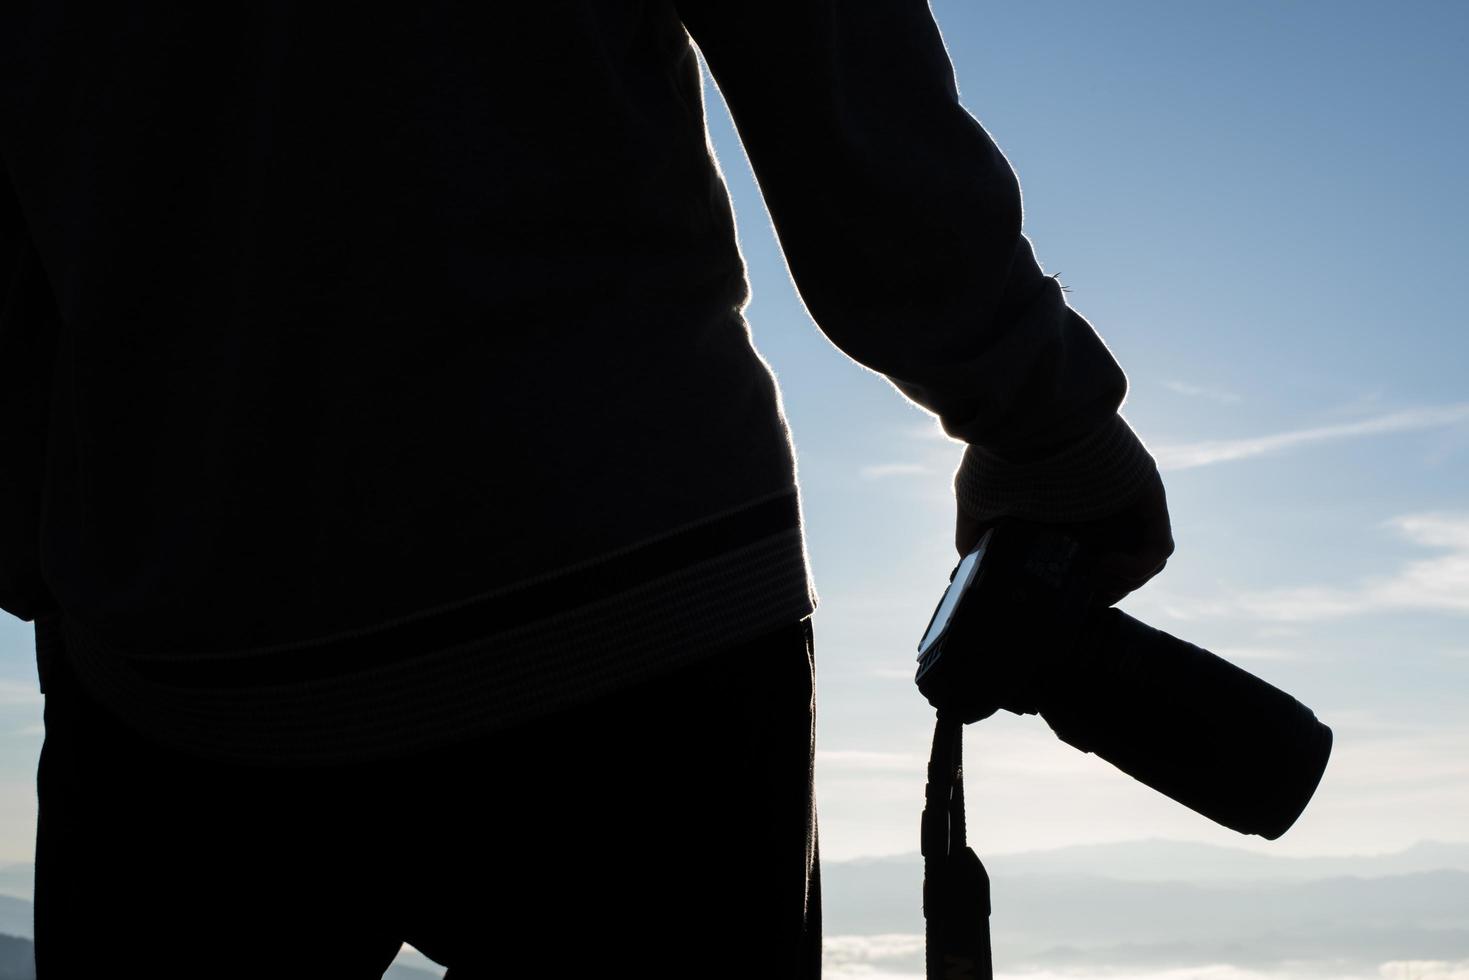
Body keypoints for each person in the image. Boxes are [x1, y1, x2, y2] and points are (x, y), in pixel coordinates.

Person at [0, 1, 1172, 976]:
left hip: (170, 650)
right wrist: (1043, 413)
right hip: (625, 597)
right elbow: (831, 64)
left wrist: (37, 516)